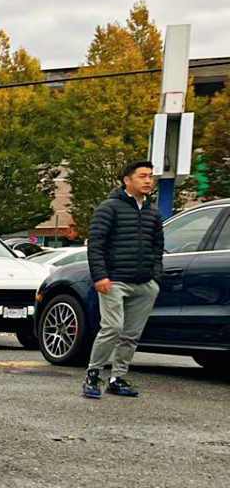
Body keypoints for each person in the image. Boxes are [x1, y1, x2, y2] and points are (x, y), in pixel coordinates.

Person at [82, 160, 164, 399]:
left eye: (150, 176)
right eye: (142, 176)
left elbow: (158, 247)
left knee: (131, 334)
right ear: (127, 180)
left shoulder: (153, 211)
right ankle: (93, 375)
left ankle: (117, 378)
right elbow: (96, 245)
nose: (148, 180)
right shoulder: (109, 208)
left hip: (144, 283)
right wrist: (100, 276)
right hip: (114, 281)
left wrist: (155, 278)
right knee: (112, 328)